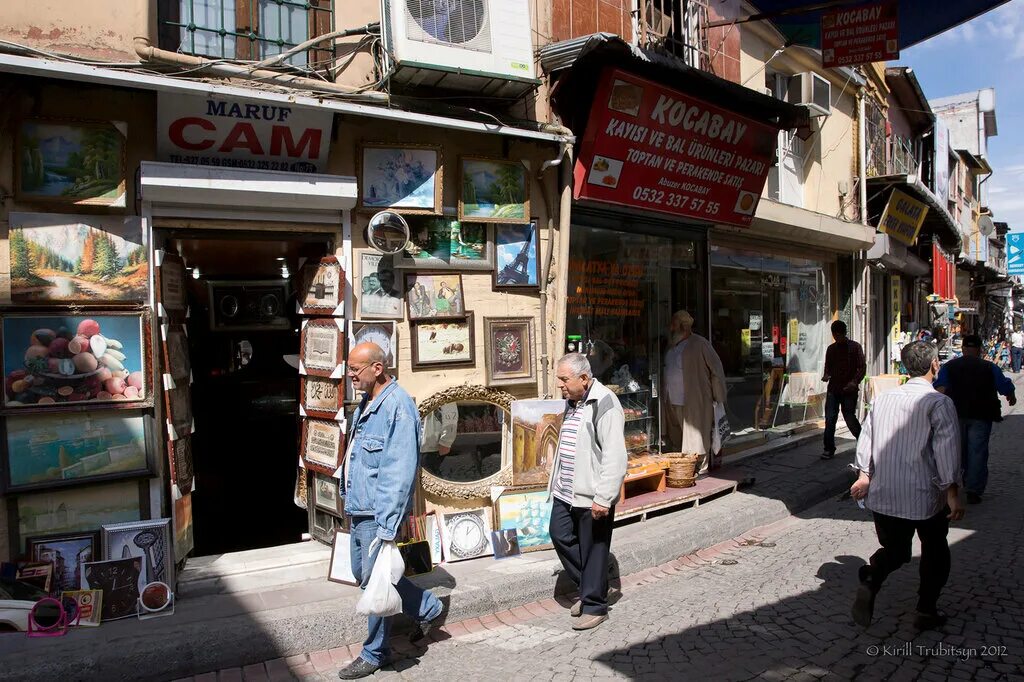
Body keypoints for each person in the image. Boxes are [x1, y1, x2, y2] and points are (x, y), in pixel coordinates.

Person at [337, 343, 444, 680]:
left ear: (378, 368)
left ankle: (375, 652)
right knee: (364, 573)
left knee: (374, 581)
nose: (351, 375)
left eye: (356, 369)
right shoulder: (368, 403)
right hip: (361, 508)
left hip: (378, 512)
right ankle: (427, 607)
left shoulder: (398, 406)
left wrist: (387, 525)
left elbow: (398, 472)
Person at [850, 341, 964, 632]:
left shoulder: (883, 399)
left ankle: (873, 576)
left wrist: (864, 475)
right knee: (935, 548)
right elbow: (946, 450)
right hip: (925, 494)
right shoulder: (939, 402)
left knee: (897, 550)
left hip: (885, 491)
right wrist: (952, 493)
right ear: (935, 365)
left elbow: (866, 439)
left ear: (904, 366)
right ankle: (926, 609)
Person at [548, 352, 628, 631]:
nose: (560, 384)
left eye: (564, 379)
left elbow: (615, 456)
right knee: (559, 534)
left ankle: (595, 605)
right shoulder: (572, 400)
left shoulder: (605, 403)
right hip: (565, 489)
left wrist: (604, 498)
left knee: (594, 548)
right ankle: (592, 585)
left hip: (591, 493)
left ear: (584, 378)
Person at [933, 334, 1016, 504]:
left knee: (957, 450)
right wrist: (1010, 395)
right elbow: (1003, 385)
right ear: (979, 350)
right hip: (981, 414)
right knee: (977, 451)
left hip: (955, 415)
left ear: (963, 349)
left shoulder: (950, 366)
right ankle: (973, 489)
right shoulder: (989, 367)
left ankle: (958, 482)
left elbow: (940, 388)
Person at [662, 310, 727, 471]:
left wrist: (718, 395)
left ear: (683, 326)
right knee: (677, 435)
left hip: (694, 398)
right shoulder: (671, 345)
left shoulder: (700, 343)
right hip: (671, 399)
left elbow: (716, 368)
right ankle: (682, 467)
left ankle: (701, 467)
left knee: (696, 435)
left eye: (674, 323)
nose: (671, 327)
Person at [821, 320, 866, 460]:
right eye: (835, 335)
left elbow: (862, 367)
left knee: (849, 417)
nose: (837, 338)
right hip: (834, 388)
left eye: (839, 335)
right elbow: (828, 366)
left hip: (849, 389)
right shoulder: (831, 349)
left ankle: (864, 442)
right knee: (830, 418)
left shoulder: (855, 347)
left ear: (843, 334)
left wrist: (854, 382)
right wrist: (826, 375)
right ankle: (828, 448)